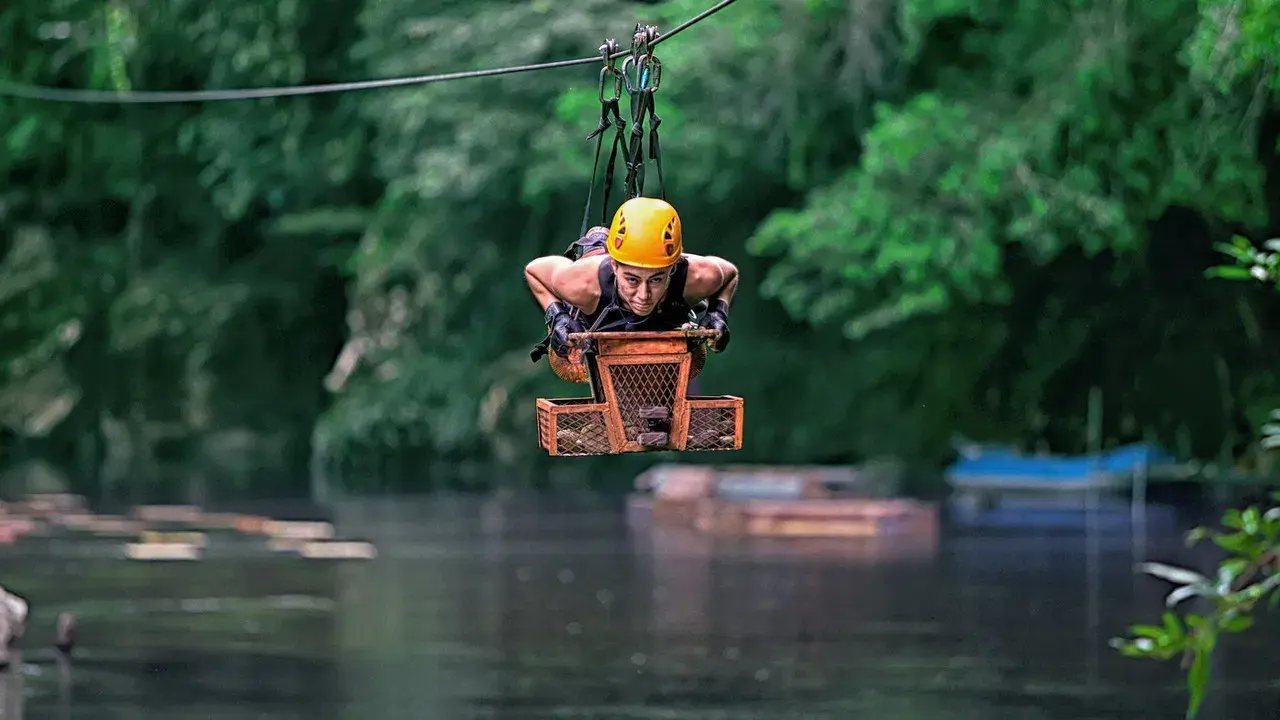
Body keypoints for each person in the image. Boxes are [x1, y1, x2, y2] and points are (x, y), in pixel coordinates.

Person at [525, 197, 738, 361]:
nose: (644, 295)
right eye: (632, 280)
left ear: (672, 268)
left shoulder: (696, 276)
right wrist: (558, 315)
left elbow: (730, 274)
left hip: (666, 332)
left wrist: (718, 312)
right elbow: (534, 271)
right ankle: (597, 241)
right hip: (597, 322)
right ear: (615, 266)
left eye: (656, 280)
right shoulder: (583, 283)